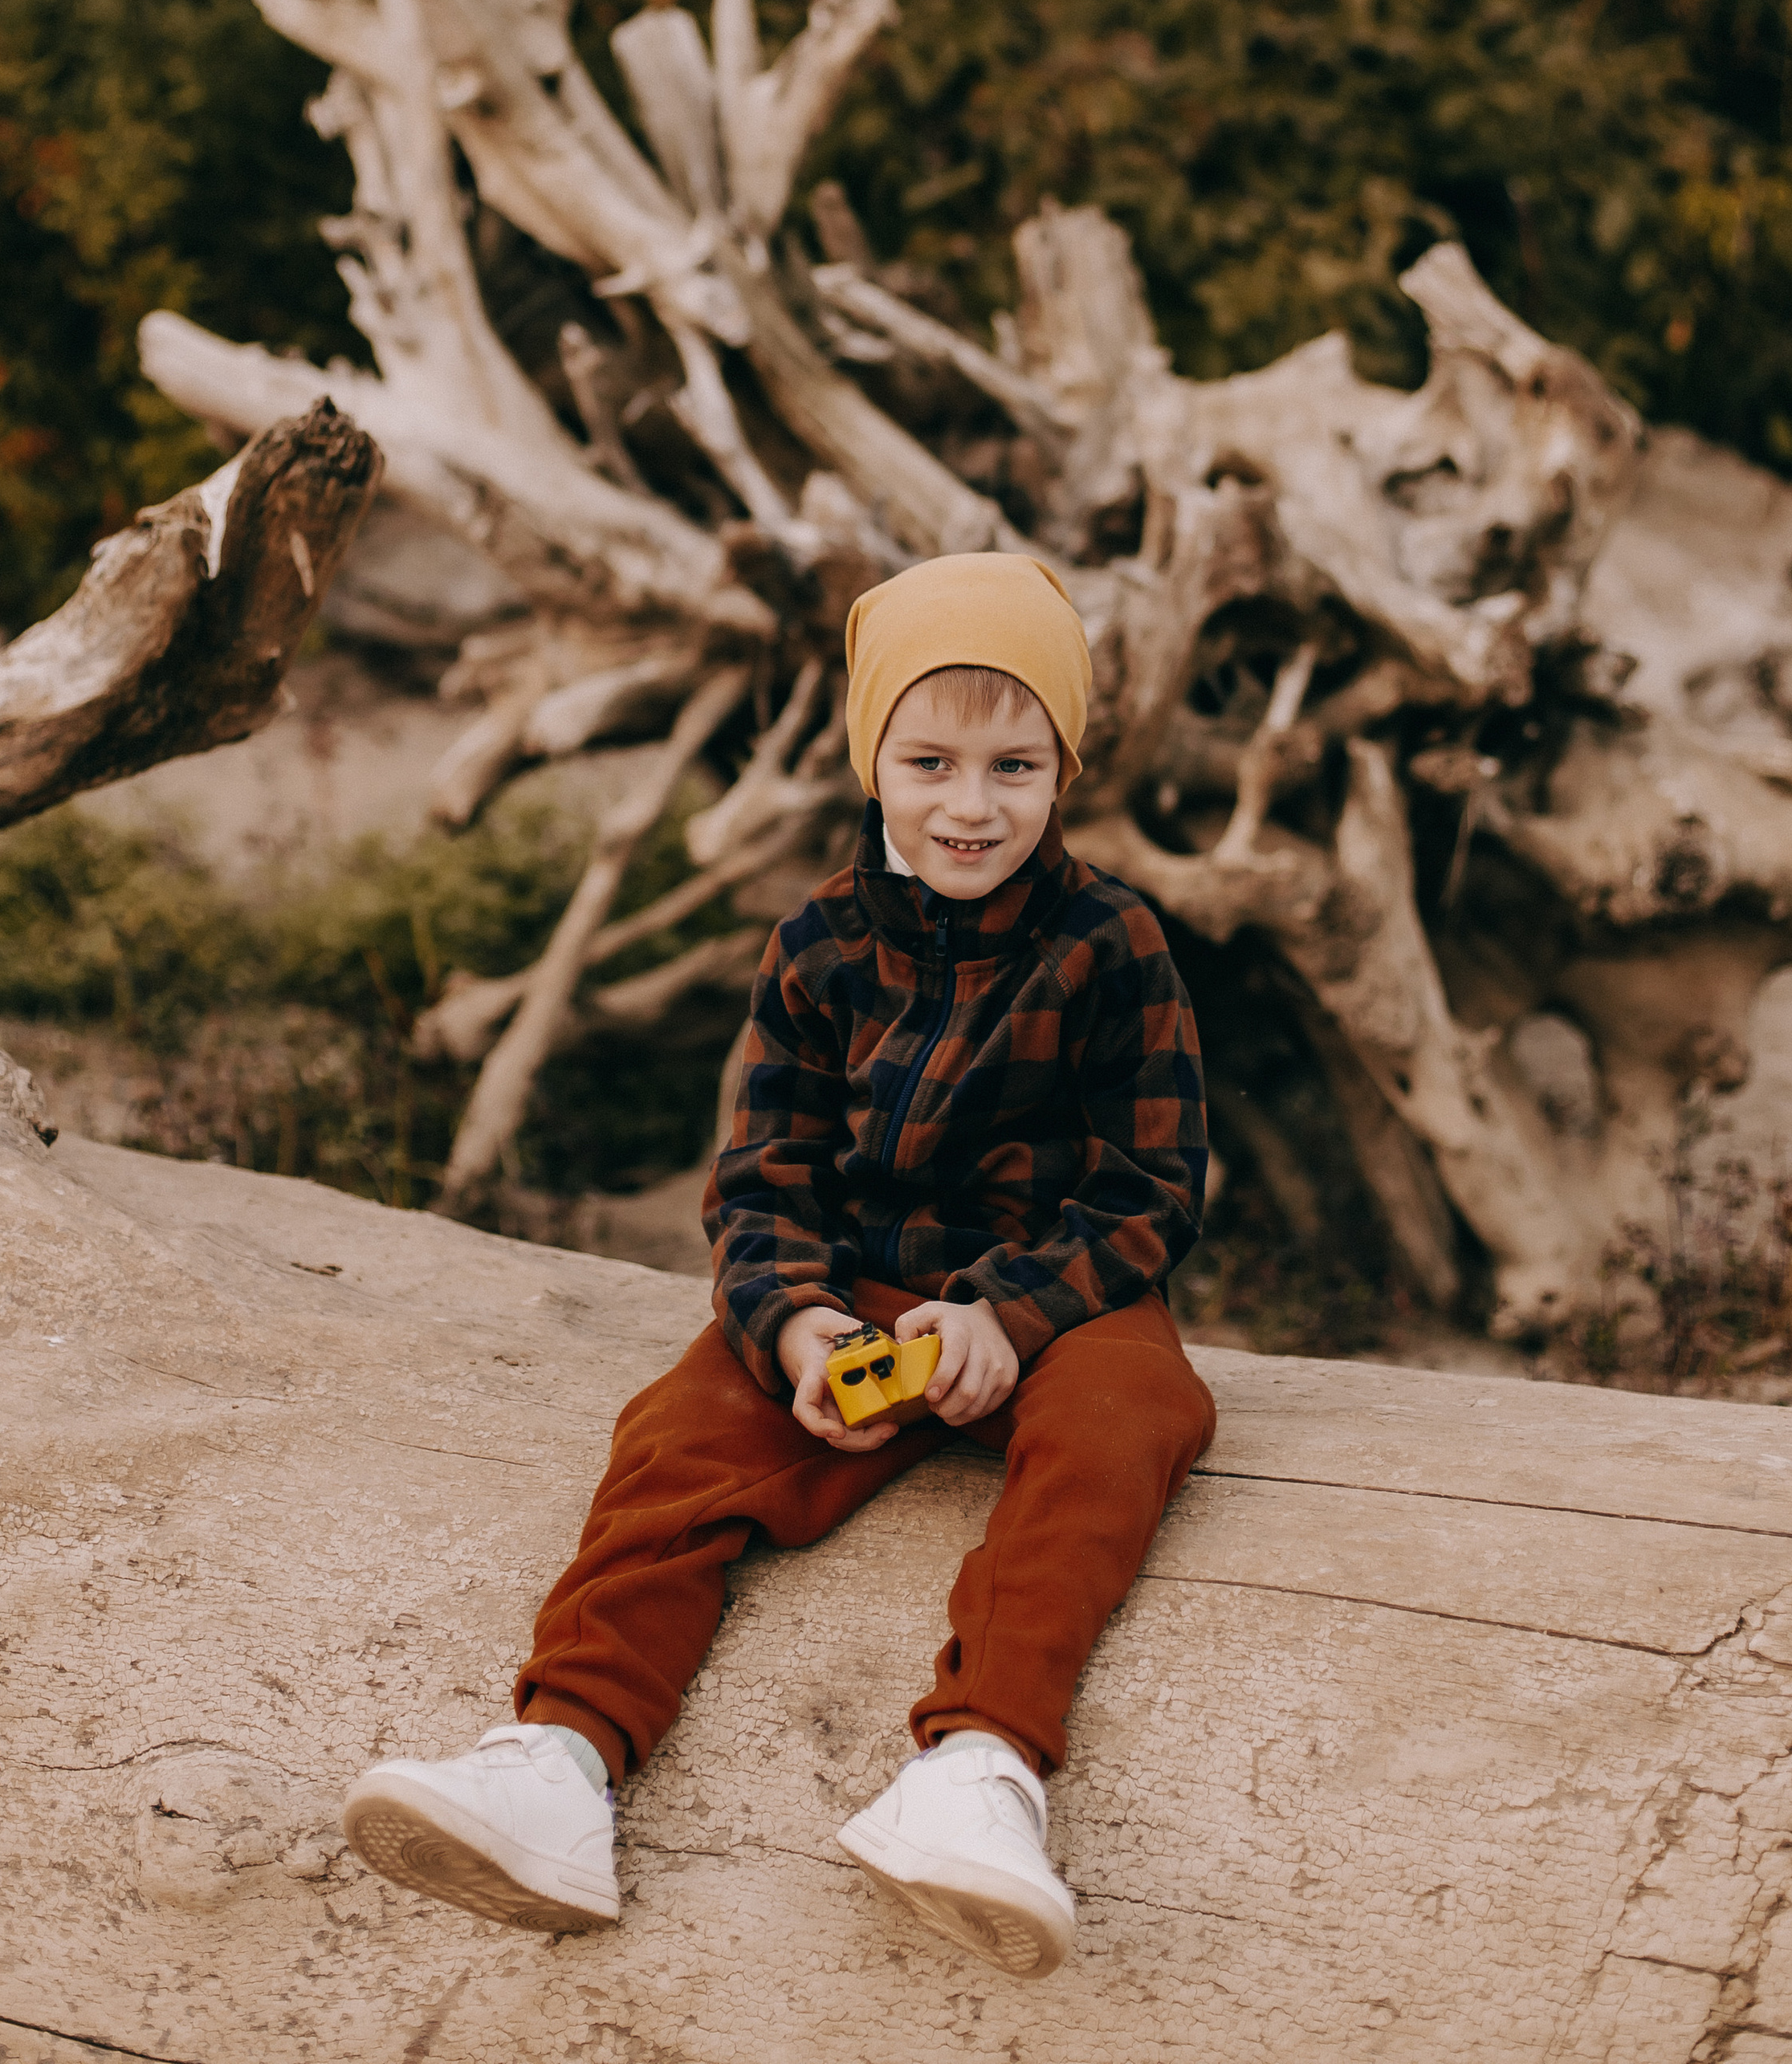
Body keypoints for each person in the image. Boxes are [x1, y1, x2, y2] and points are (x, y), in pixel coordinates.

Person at [343, 552, 1214, 1981]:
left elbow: (1153, 1183)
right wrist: (797, 1323)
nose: (971, 805)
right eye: (929, 763)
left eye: (1014, 765)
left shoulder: (1112, 942)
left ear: (1066, 765)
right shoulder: (819, 944)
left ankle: (980, 1770)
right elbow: (765, 1177)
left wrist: (1011, 1313)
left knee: (1135, 1416)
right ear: (872, 761)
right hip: (857, 1283)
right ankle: (562, 1759)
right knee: (676, 1437)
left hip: (1056, 1297)